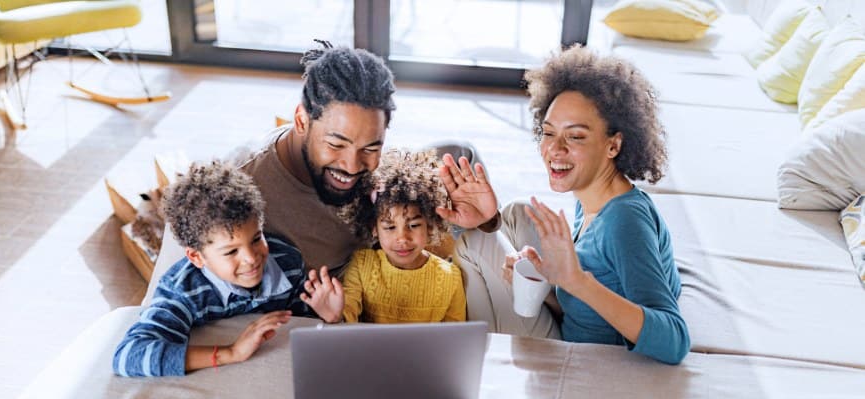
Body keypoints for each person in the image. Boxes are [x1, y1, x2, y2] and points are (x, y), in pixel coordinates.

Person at [449, 45, 690, 364]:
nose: (554, 149)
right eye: (548, 133)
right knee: (519, 213)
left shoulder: (624, 222)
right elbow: (594, 287)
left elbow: (674, 340)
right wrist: (547, 281)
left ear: (613, 144)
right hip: (575, 314)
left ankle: (470, 349)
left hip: (578, 354)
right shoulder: (594, 195)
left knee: (475, 242)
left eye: (575, 137)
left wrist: (574, 279)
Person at [234, 40, 502, 305]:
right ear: (302, 121)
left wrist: (484, 221)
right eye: (336, 144)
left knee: (459, 154)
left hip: (398, 255)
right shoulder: (243, 187)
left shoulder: (372, 171)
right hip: (348, 303)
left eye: (371, 146)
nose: (352, 167)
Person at [113, 160, 344, 377]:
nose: (251, 259)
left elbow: (300, 324)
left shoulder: (288, 262)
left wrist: (328, 318)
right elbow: (128, 356)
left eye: (256, 239)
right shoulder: (182, 290)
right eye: (231, 252)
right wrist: (231, 353)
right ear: (196, 257)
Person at [338, 148, 466, 323]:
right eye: (390, 227)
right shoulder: (362, 264)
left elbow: (456, 335)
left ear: (429, 225)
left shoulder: (450, 277)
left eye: (413, 225)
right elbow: (347, 314)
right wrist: (335, 312)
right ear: (374, 228)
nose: (403, 238)